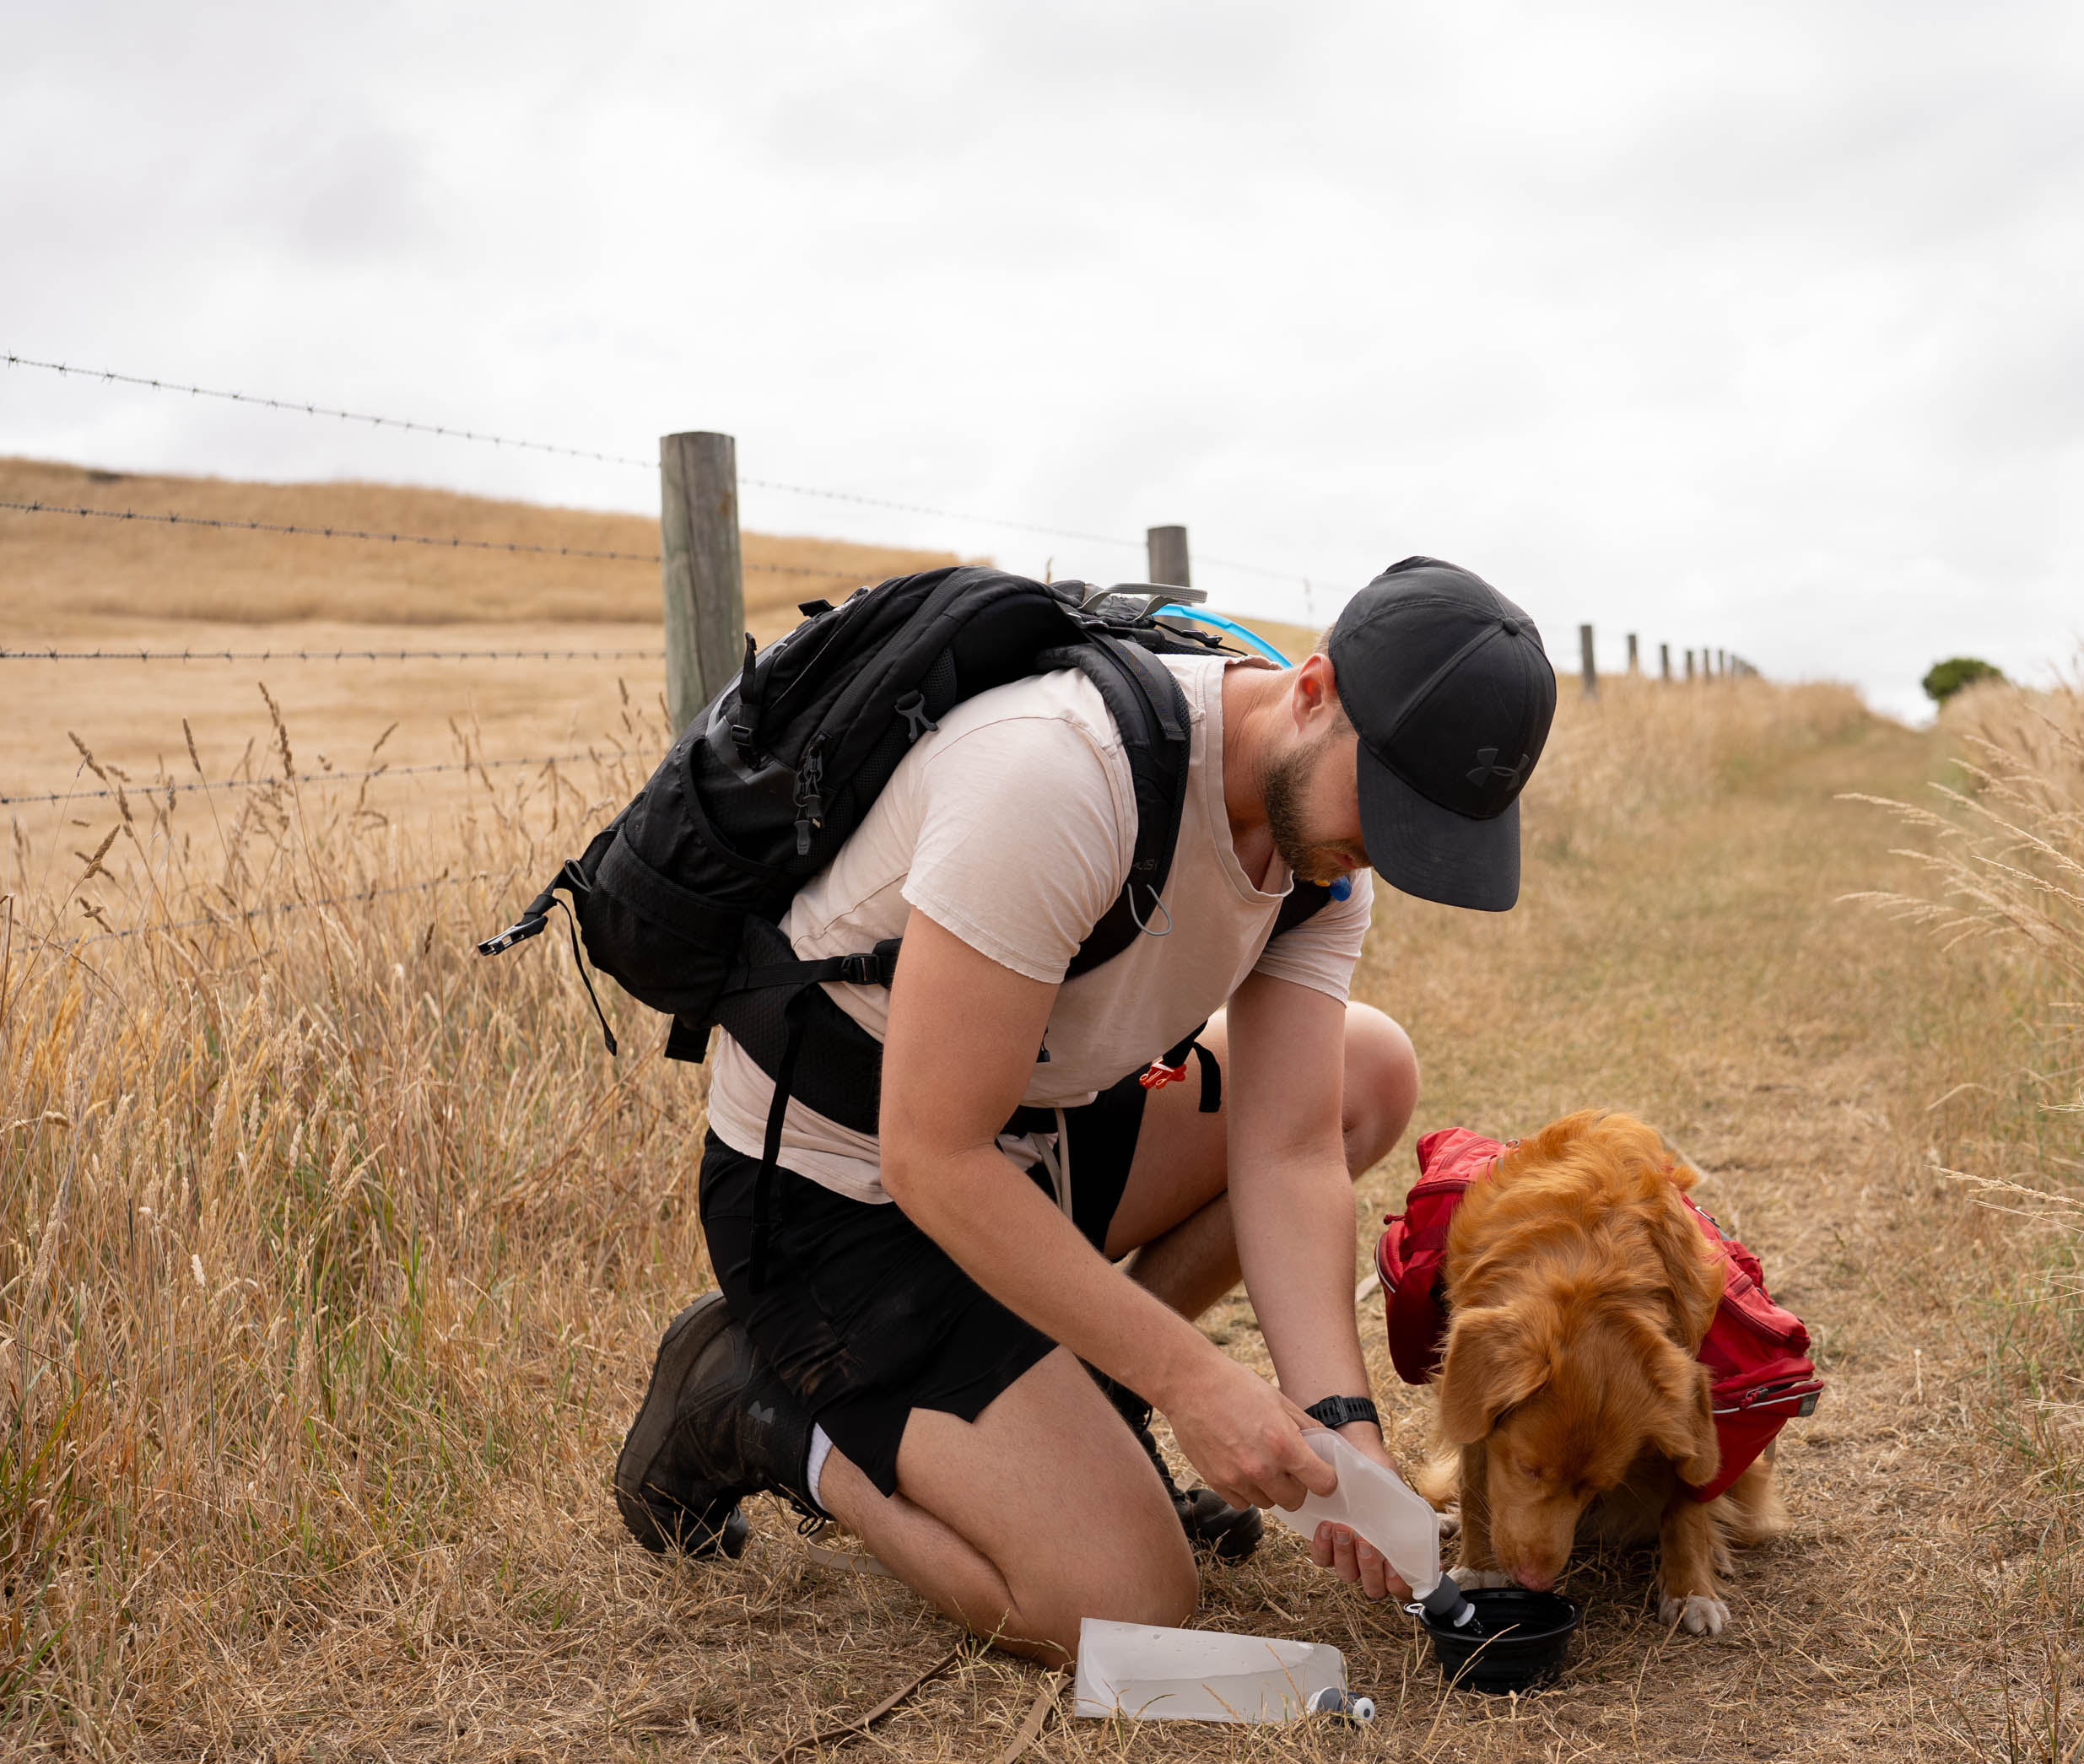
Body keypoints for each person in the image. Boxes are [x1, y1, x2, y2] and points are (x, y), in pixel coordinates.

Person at [613, 557, 1556, 1664]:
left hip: (1038, 1126)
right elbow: (933, 1155)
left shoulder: (1323, 851)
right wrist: (1193, 1380)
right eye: (1385, 809)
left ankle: (1083, 1399)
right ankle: (776, 1414)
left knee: (1365, 1072)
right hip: (843, 1189)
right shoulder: (1062, 778)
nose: (1382, 853)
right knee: (1126, 1601)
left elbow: (1292, 1144)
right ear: (1314, 690)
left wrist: (1341, 1425)